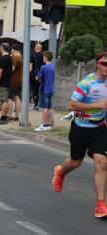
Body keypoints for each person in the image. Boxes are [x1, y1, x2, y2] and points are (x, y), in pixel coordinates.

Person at [52, 51, 107, 218]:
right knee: (76, 162)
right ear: (97, 64)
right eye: (104, 64)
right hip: (81, 127)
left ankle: (100, 205)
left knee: (102, 162)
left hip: (100, 127)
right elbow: (72, 105)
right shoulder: (87, 83)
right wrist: (98, 105)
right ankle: (60, 173)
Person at [34, 51, 55, 131]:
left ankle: (44, 124)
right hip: (50, 89)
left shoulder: (44, 67)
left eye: (43, 57)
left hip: (44, 89)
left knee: (44, 107)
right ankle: (49, 124)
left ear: (46, 57)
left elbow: (37, 77)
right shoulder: (52, 67)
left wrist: (39, 78)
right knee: (49, 107)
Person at [0, 42, 13, 124]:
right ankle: (5, 116)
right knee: (6, 100)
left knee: (3, 101)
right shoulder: (10, 58)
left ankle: (3, 117)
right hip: (8, 81)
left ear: (2, 48)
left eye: (0, 47)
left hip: (2, 82)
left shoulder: (2, 59)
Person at [8, 44, 23, 122]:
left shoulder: (16, 57)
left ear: (13, 50)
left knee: (10, 98)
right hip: (20, 80)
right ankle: (17, 115)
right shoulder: (21, 57)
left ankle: (10, 115)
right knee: (17, 97)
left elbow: (12, 69)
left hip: (13, 80)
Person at [30, 43, 44, 111]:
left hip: (33, 74)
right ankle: (40, 104)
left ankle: (36, 105)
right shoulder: (43, 56)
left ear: (35, 48)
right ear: (41, 49)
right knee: (40, 90)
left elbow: (30, 66)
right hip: (41, 75)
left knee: (34, 90)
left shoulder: (32, 55)